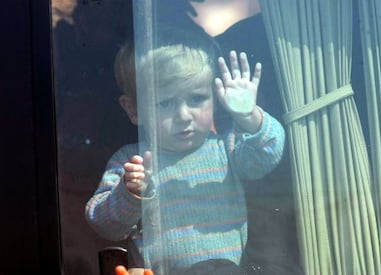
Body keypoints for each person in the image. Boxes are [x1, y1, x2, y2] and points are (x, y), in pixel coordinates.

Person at [85, 27, 285, 274]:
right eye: (165, 103)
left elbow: (268, 152)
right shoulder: (131, 163)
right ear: (133, 109)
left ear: (214, 97)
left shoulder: (227, 149)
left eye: (196, 99)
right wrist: (130, 193)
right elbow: (103, 223)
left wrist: (248, 115)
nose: (183, 116)